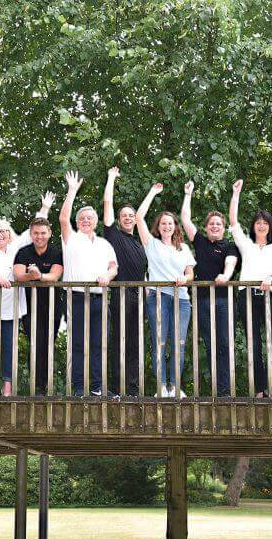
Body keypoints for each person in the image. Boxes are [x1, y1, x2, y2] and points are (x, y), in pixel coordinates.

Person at [0, 195, 52, 396]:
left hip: (11, 307)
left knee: (9, 347)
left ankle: (7, 387)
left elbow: (29, 234)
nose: (0, 235)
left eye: (4, 231)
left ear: (9, 235)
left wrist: (44, 208)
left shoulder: (15, 249)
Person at [59, 171, 118, 397]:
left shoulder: (104, 244)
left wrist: (108, 277)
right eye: (82, 218)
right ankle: (77, 388)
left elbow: (113, 267)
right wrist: (72, 190)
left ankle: (97, 387)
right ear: (77, 223)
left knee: (98, 344)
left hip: (99, 299)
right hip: (76, 297)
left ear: (95, 222)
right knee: (77, 344)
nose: (86, 221)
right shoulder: (71, 239)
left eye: (89, 218)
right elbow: (63, 219)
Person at [137, 184, 196, 398]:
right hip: (158, 297)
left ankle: (176, 387)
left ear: (175, 227)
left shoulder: (183, 248)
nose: (167, 226)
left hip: (181, 299)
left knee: (179, 344)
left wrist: (184, 279)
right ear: (158, 226)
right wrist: (152, 192)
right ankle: (162, 387)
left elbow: (190, 274)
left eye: (170, 223)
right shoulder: (151, 244)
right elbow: (139, 217)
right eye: (163, 223)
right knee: (160, 342)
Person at [181, 181, 239, 397]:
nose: (215, 226)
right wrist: (188, 194)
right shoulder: (201, 242)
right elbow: (185, 219)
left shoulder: (229, 246)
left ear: (223, 228)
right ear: (206, 227)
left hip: (223, 300)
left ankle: (225, 391)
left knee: (224, 343)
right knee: (210, 344)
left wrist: (225, 276)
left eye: (218, 224)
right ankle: (215, 390)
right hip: (203, 301)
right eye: (212, 224)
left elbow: (231, 263)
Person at [228, 179, 272, 398]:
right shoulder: (246, 245)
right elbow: (233, 221)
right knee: (253, 343)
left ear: (270, 226)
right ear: (253, 226)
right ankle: (260, 389)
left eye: (265, 223)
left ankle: (270, 387)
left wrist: (270, 277)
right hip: (248, 296)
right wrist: (236, 194)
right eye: (258, 223)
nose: (261, 226)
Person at [102, 166, 147, 396]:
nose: (128, 218)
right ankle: (118, 389)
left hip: (139, 297)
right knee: (120, 340)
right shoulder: (114, 236)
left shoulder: (139, 244)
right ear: (119, 221)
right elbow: (107, 205)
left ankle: (133, 390)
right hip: (121, 294)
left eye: (131, 215)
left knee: (135, 343)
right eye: (124, 216)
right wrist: (111, 178)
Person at [13, 216, 64, 396]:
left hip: (52, 307)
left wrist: (38, 276)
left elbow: (55, 276)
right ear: (31, 234)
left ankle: (47, 387)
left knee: (48, 344)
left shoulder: (56, 253)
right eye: (36, 233)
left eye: (43, 233)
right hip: (29, 307)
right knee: (35, 344)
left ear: (49, 233)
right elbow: (18, 275)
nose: (39, 236)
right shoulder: (23, 252)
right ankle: (36, 388)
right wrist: (32, 276)